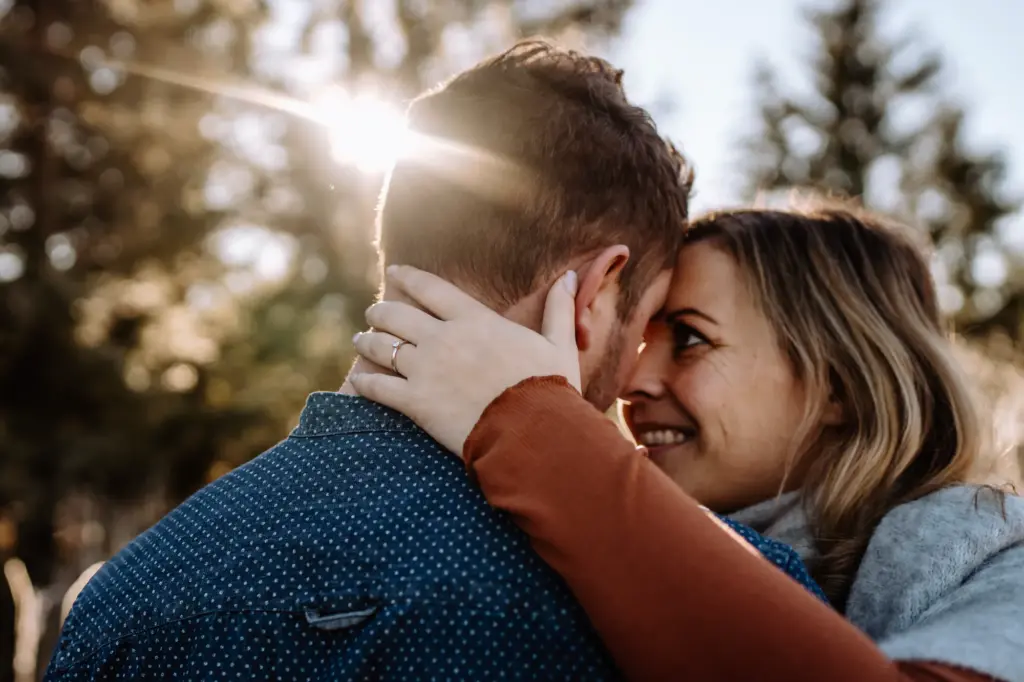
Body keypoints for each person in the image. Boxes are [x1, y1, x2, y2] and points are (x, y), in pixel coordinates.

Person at [45, 40, 798, 681]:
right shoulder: (721, 621)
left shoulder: (122, 597)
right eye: (648, 319)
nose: (636, 373)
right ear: (597, 291)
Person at [350, 205, 1024, 682]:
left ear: (842, 383)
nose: (632, 382)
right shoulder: (567, 550)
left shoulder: (999, 556)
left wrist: (527, 423)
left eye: (691, 338)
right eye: (642, 337)